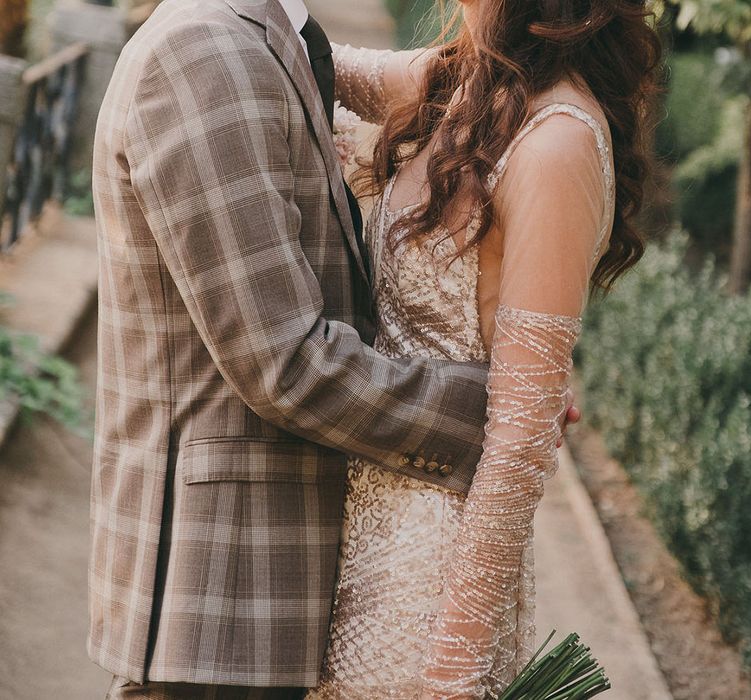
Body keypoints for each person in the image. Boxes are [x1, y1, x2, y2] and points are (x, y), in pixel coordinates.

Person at [87, 0, 581, 698]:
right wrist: (502, 407)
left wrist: (524, 342)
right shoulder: (203, 52)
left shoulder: (276, 38)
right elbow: (284, 363)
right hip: (220, 599)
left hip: (299, 587)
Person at [304, 0, 660, 697]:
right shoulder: (464, 83)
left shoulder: (559, 143)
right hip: (344, 529)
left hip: (425, 583)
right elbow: (311, 60)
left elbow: (522, 440)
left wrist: (453, 668)